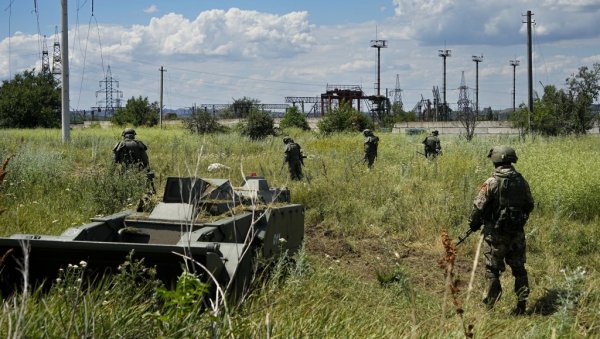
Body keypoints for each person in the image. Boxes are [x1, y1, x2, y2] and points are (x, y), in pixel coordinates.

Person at [467, 146, 534, 315]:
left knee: (492, 271)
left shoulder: (492, 182)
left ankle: (490, 308)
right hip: (517, 234)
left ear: (495, 160)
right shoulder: (521, 180)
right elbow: (530, 204)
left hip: (495, 235)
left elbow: (478, 208)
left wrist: (473, 224)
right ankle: (522, 306)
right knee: (519, 269)